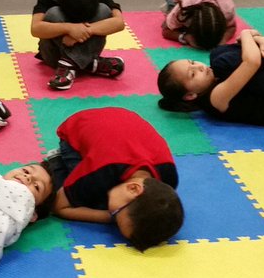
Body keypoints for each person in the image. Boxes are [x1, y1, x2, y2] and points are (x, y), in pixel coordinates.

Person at [50, 107, 183, 251]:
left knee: (109, 198)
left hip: (123, 119)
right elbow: (59, 207)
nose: (113, 217)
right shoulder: (101, 172)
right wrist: (108, 217)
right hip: (78, 128)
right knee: (93, 200)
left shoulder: (169, 178)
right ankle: (56, 161)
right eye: (116, 215)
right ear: (133, 188)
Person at [157, 14, 264, 129]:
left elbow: (250, 44)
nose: (199, 66)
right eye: (193, 74)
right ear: (190, 95)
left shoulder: (214, 73)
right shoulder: (214, 99)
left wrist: (263, 41)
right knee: (224, 61)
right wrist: (246, 33)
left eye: (192, 62)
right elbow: (252, 62)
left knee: (218, 54)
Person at [30, 0, 126, 91]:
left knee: (104, 10)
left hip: (77, 51)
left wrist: (85, 30)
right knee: (53, 13)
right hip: (54, 53)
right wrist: (69, 28)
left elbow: (119, 23)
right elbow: (35, 28)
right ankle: (91, 64)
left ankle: (67, 65)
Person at [160, 0, 237, 50]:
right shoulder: (184, 9)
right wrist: (184, 37)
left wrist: (223, 40)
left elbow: (232, 27)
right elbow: (166, 31)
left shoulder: (227, 10)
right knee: (171, 22)